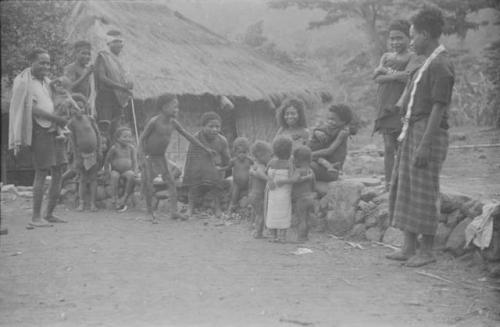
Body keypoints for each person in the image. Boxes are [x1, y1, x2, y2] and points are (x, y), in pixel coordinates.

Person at [386, 7, 455, 268]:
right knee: (405, 185)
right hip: (414, 129)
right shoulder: (425, 60)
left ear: (426, 34)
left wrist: (425, 144)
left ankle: (426, 251)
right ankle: (408, 246)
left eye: (413, 36)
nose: (411, 40)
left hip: (429, 133)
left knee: (424, 190)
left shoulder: (441, 64)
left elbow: (439, 107)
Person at [9, 48, 69, 228]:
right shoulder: (24, 83)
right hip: (40, 131)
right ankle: (36, 217)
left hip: (54, 130)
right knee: (42, 172)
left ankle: (49, 214)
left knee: (59, 170)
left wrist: (60, 119)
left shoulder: (47, 82)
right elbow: (30, 109)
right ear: (31, 62)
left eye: (48, 63)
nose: (46, 66)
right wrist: (55, 118)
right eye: (41, 62)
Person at [139, 95, 214, 223]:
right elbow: (142, 139)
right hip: (149, 157)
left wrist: (205, 148)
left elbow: (187, 135)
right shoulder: (154, 122)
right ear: (164, 107)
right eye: (174, 107)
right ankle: (149, 213)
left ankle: (174, 212)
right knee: (148, 185)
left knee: (171, 184)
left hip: (161, 157)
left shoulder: (173, 123)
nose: (177, 110)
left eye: (177, 107)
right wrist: (142, 158)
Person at [373, 20, 422, 189]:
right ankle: (388, 182)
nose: (395, 42)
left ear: (409, 38)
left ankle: (403, 181)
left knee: (401, 146)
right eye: (392, 38)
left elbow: (407, 76)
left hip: (401, 105)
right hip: (383, 103)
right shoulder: (386, 56)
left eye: (399, 38)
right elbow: (376, 78)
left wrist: (386, 73)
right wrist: (393, 75)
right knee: (387, 146)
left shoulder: (413, 57)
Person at [183, 111, 230, 218]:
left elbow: (227, 159)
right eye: (211, 126)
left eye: (217, 127)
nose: (215, 129)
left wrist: (222, 168)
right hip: (199, 169)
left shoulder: (222, 141)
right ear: (203, 126)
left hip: (215, 169)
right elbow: (191, 158)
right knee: (194, 178)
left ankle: (217, 207)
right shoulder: (196, 138)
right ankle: (190, 207)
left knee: (215, 175)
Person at [94, 30, 133, 137]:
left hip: (118, 99)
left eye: (120, 42)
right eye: (115, 42)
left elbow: (124, 79)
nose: (119, 44)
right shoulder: (103, 57)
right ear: (108, 43)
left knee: (116, 130)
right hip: (106, 98)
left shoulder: (121, 61)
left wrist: (128, 85)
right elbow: (102, 78)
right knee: (105, 129)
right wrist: (122, 87)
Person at [67, 97, 102, 212]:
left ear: (85, 108)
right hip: (81, 154)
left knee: (93, 178)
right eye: (74, 108)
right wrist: (76, 156)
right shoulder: (71, 123)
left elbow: (98, 135)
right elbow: (72, 141)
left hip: (93, 153)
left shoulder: (90, 119)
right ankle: (81, 203)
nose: (77, 110)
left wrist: (99, 150)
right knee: (82, 178)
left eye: (80, 107)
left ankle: (93, 203)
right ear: (71, 110)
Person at [265, 136, 298, 243]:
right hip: (282, 192)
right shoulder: (289, 164)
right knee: (283, 212)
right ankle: (281, 236)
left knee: (272, 212)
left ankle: (272, 235)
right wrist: (283, 181)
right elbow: (293, 179)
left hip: (273, 191)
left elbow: (266, 173)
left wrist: (270, 180)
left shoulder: (271, 162)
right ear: (289, 150)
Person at [310, 104, 352, 182]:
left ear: (343, 121)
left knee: (305, 166)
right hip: (320, 164)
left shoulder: (343, 132)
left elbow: (329, 151)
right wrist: (316, 132)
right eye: (328, 119)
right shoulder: (331, 128)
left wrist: (310, 154)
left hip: (331, 171)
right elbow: (318, 129)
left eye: (333, 119)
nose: (330, 122)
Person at [104, 127, 137, 211]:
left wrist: (135, 170)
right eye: (125, 137)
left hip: (127, 171)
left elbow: (134, 161)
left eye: (129, 137)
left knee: (131, 175)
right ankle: (114, 197)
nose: (127, 139)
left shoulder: (131, 148)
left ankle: (125, 197)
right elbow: (107, 161)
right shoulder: (114, 148)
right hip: (116, 170)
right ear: (118, 138)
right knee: (114, 176)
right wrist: (107, 172)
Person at [219, 137, 253, 213]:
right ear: (235, 152)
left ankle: (250, 205)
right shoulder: (233, 161)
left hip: (248, 183)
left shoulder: (249, 160)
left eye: (244, 152)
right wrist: (220, 169)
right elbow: (227, 167)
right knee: (234, 195)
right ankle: (232, 206)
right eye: (239, 152)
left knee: (250, 192)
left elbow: (256, 165)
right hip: (237, 183)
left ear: (248, 152)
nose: (242, 155)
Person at [248, 140, 273, 239]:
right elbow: (259, 173)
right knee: (261, 214)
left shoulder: (254, 165)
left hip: (253, 194)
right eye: (269, 156)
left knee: (257, 213)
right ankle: (258, 233)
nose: (270, 158)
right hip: (258, 195)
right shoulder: (260, 166)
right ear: (261, 156)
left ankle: (254, 229)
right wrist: (268, 179)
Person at [291, 146, 316, 243]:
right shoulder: (311, 171)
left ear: (297, 160)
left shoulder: (298, 171)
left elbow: (294, 181)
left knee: (301, 219)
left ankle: (301, 237)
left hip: (301, 199)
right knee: (307, 217)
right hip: (310, 197)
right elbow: (314, 185)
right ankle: (306, 236)